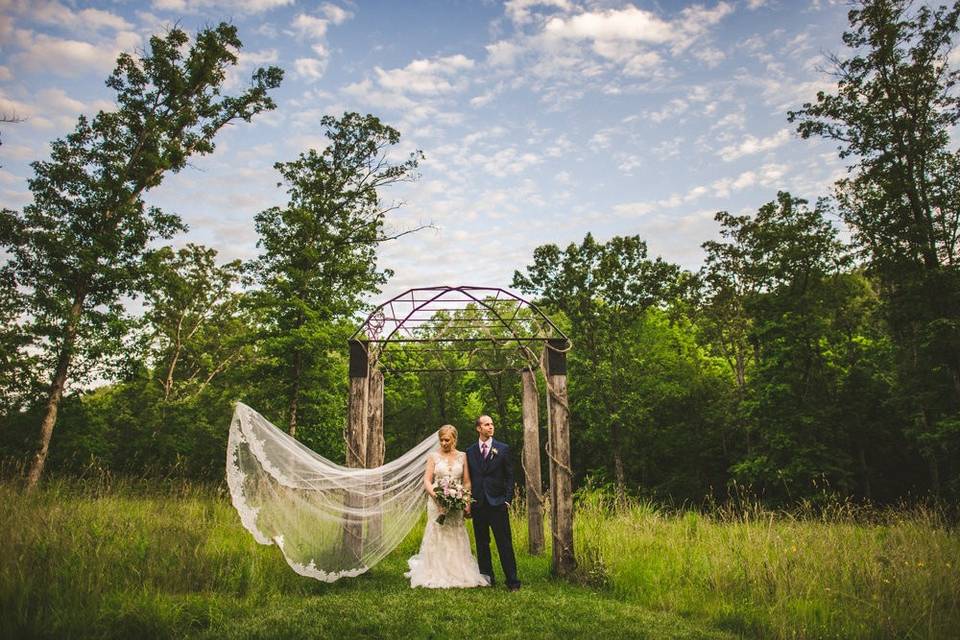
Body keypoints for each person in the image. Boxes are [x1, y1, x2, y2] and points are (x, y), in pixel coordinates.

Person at [406, 424, 488, 588]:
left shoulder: (462, 456)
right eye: (441, 440)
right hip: (436, 503)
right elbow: (427, 481)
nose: (443, 443)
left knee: (455, 532)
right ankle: (434, 571)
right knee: (437, 532)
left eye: (447, 440)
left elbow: (466, 482)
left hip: (456, 503)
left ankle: (457, 571)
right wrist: (437, 497)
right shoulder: (433, 457)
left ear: (454, 440)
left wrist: (465, 502)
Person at [466, 415, 521, 591]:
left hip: (498, 503)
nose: (491, 427)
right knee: (482, 543)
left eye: (492, 424)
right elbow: (470, 478)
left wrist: (507, 500)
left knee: (504, 543)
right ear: (478, 428)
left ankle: (512, 581)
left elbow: (510, 475)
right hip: (479, 503)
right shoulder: (470, 451)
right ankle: (487, 578)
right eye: (487, 424)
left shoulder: (503, 449)